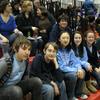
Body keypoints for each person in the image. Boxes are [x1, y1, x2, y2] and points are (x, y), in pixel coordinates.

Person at [0, 35, 42, 100]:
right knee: (16, 91)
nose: (27, 52)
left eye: (29, 49)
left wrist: (28, 91)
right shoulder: (5, 62)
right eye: (24, 49)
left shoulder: (25, 61)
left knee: (37, 81)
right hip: (3, 91)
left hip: (16, 86)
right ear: (15, 48)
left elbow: (26, 76)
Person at [57, 31, 87, 100]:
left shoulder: (70, 50)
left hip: (70, 70)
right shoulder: (57, 50)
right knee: (73, 75)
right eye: (63, 38)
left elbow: (76, 62)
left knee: (82, 71)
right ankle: (71, 96)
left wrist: (79, 69)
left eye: (67, 38)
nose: (65, 40)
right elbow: (62, 67)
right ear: (59, 39)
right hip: (61, 72)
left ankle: (78, 93)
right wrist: (75, 70)